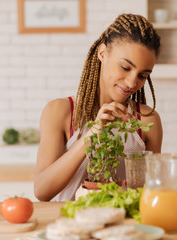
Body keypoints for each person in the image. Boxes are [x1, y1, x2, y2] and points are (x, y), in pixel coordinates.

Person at [34, 14, 163, 201]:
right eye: (125, 67)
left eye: (142, 75)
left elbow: (151, 194)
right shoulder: (60, 111)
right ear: (102, 53)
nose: (132, 82)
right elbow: (42, 191)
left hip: (124, 226)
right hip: (71, 225)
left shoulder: (147, 120)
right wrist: (89, 137)